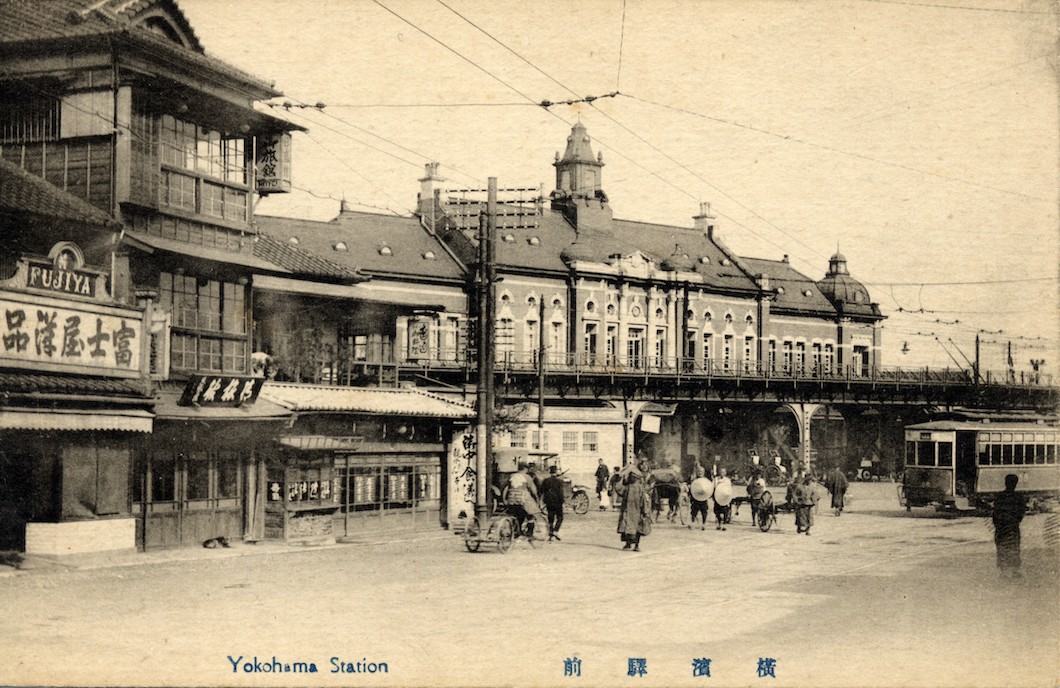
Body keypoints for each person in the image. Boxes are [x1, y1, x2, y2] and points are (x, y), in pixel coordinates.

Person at [992, 474, 1028, 577]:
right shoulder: (1019, 497)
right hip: (1012, 526)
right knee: (1014, 546)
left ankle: (1003, 570)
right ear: (1016, 484)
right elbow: (1021, 512)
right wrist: (1015, 521)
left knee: (1001, 546)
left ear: (1005, 483)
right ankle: (1014, 569)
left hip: (1001, 527)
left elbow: (995, 512)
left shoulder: (1000, 496)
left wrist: (997, 524)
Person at [503, 462, 543, 541]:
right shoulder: (527, 477)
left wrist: (505, 499)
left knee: (517, 515)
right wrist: (537, 499)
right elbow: (533, 490)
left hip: (511, 498)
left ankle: (517, 531)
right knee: (532, 513)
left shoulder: (511, 476)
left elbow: (506, 488)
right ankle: (530, 533)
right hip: (522, 498)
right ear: (525, 468)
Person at [615, 471, 652, 551]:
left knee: (629, 528)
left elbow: (619, 490)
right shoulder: (638, 487)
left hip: (630, 511)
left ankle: (630, 545)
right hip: (635, 512)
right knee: (635, 529)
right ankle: (635, 545)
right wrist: (645, 511)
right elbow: (644, 501)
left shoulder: (629, 487)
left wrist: (620, 480)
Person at [540, 465, 566, 541]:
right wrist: (563, 501)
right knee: (560, 517)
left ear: (549, 472)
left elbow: (541, 491)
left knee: (550, 518)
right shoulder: (559, 481)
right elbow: (561, 493)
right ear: (556, 471)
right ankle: (555, 531)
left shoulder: (545, 481)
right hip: (557, 501)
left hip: (548, 501)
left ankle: (551, 533)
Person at [712, 467, 732, 531]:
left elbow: (729, 488)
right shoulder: (715, 479)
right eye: (721, 472)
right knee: (716, 510)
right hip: (717, 496)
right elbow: (713, 487)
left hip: (724, 497)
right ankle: (719, 522)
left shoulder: (727, 480)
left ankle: (724, 524)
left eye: (723, 472)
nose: (722, 473)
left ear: (725, 473)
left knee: (725, 510)